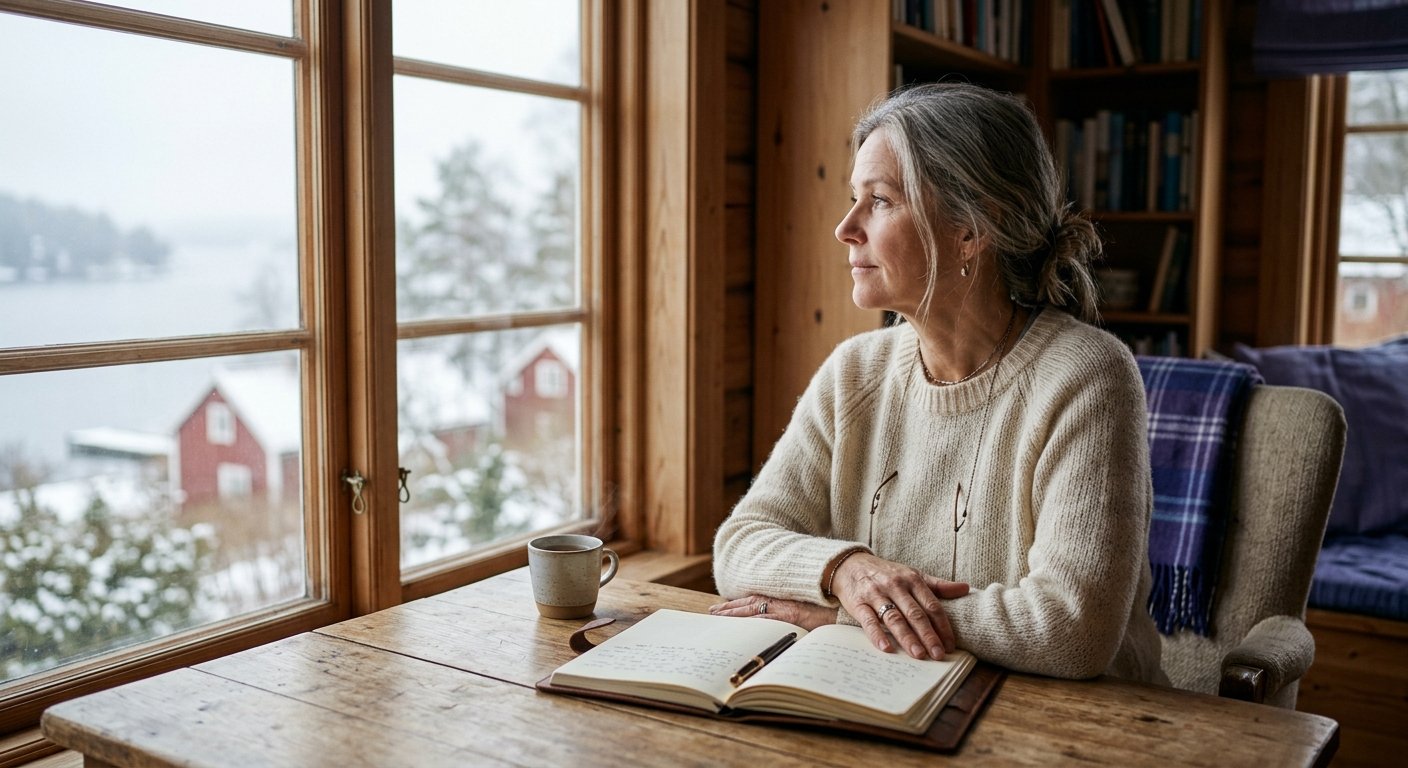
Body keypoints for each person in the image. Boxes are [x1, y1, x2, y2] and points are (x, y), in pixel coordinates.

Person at [709, 82, 1166, 684]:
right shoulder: (854, 372)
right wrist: (847, 571)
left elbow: (1069, 630)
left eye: (879, 200)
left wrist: (843, 617)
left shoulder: (1087, 377)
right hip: (895, 694)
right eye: (853, 198)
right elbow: (738, 545)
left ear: (972, 230)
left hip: (1076, 727)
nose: (846, 228)